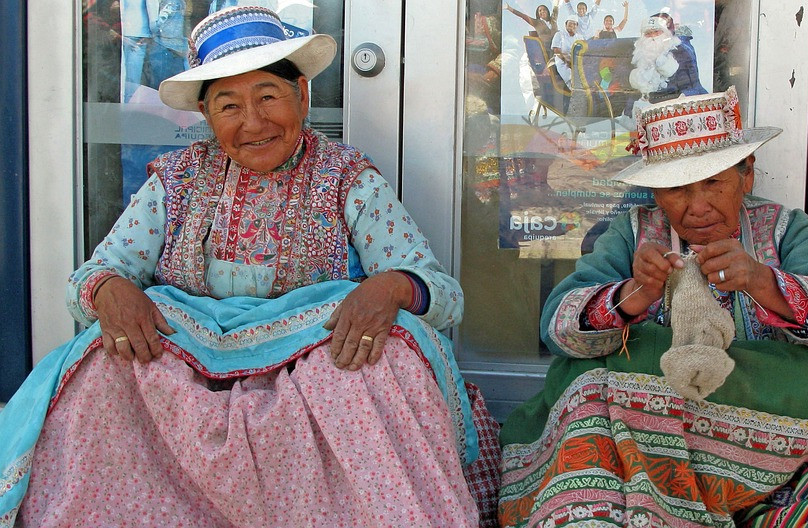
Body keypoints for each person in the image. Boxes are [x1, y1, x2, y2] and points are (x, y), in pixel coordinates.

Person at [0, 6, 488, 527]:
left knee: (385, 355)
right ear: (207, 117)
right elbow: (94, 275)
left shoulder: (347, 177)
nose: (253, 122)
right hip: (191, 371)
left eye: (268, 97)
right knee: (106, 361)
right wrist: (109, 289)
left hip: (313, 366)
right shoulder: (177, 179)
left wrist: (392, 286)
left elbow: (443, 294)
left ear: (301, 95)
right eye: (229, 105)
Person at [498, 87, 808, 526]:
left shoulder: (784, 228)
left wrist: (763, 281)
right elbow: (557, 326)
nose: (697, 206)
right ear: (656, 193)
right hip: (662, 398)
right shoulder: (632, 233)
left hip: (766, 396)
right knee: (583, 375)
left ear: (747, 174)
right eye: (677, 189)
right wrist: (635, 294)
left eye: (714, 182)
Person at [628, 12, 706, 103]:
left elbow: (691, 85)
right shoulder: (638, 55)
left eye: (656, 32)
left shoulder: (680, 51)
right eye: (648, 33)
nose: (653, 37)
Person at [551, 15, 579, 87]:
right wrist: (567, 61)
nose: (572, 25)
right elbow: (556, 50)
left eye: (574, 24)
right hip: (562, 61)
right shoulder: (559, 34)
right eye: (570, 23)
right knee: (573, 79)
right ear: (566, 24)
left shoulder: (579, 37)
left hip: (577, 62)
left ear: (577, 26)